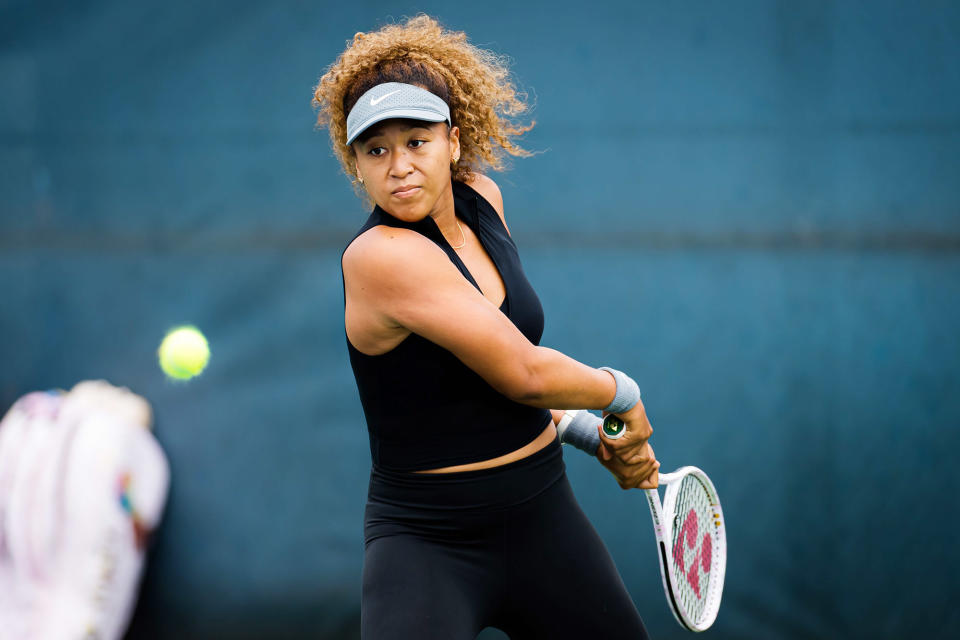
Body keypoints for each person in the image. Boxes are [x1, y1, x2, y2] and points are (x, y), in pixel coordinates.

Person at [313, 15, 659, 639]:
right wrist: (620, 395)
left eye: (416, 141)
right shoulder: (379, 258)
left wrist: (579, 426)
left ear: (452, 139)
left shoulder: (483, 200)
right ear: (355, 165)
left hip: (544, 513)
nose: (398, 166)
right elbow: (525, 373)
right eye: (375, 149)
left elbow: (487, 366)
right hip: (427, 542)